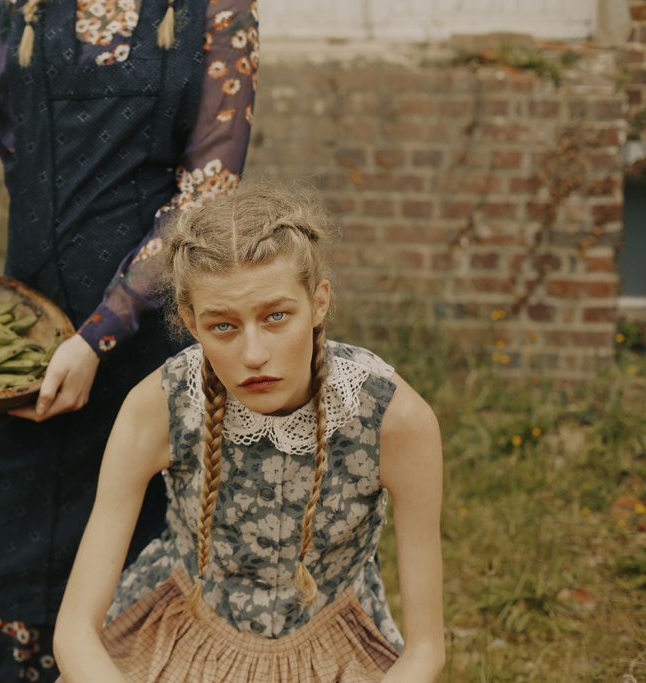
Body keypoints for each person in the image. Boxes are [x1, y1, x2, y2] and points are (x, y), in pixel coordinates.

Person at [0, 0, 259, 680]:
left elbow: (208, 189)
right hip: (31, 348)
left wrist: (100, 334)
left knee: (138, 612)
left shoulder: (218, 7)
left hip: (153, 347)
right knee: (4, 590)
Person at [54, 183, 446, 682]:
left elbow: (426, 651)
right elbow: (74, 632)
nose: (254, 354)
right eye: (223, 326)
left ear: (319, 302)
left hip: (333, 648)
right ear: (191, 322)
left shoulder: (393, 418)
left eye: (276, 317)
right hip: (181, 633)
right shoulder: (159, 406)